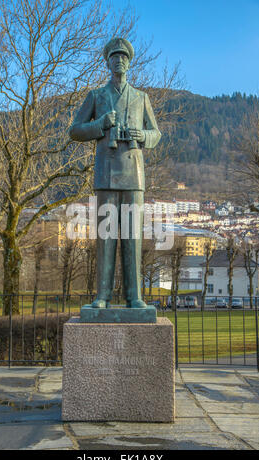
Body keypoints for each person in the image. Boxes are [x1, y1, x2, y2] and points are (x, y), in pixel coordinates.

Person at [70, 38, 161, 308]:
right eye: (114, 57)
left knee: (132, 237)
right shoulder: (97, 96)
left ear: (129, 62)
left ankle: (135, 297)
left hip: (133, 175)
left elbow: (156, 134)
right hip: (106, 174)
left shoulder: (141, 97)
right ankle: (103, 296)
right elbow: (75, 130)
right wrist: (100, 124)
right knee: (106, 237)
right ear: (108, 62)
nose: (119, 61)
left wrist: (142, 135)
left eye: (123, 57)